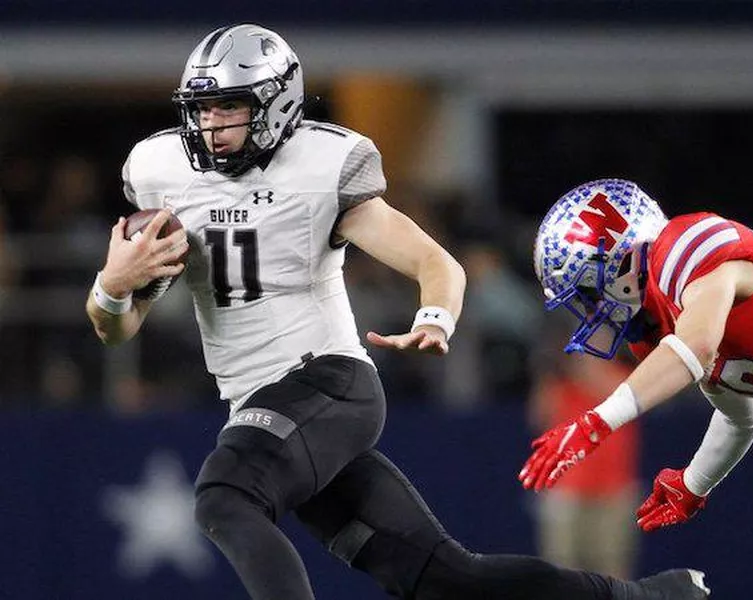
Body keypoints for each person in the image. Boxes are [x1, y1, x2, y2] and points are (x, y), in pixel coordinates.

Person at [85, 25, 709, 600]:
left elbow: (438, 264)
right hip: (262, 403)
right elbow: (114, 329)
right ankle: (651, 596)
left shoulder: (322, 166)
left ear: (276, 106)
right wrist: (114, 286)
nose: (213, 127)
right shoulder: (163, 172)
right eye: (203, 110)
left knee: (226, 497)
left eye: (230, 108)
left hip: (326, 382)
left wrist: (434, 317)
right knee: (445, 579)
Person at [519, 178, 753, 564]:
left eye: (589, 292)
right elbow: (741, 416)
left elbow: (697, 346)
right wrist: (693, 481)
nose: (592, 311)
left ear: (621, 261)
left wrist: (596, 422)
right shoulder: (659, 326)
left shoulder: (686, 246)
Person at [527, 322, 640, 579]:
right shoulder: (561, 382)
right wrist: (545, 373)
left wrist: (578, 366)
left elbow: (608, 393)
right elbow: (538, 416)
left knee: (611, 570)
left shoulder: (625, 378)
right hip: (566, 489)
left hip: (613, 490)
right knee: (561, 570)